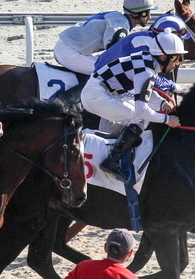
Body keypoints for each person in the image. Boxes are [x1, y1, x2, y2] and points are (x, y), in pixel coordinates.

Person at [80, 28, 187, 180]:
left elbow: (145, 91)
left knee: (141, 115)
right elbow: (142, 110)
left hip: (101, 92)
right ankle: (112, 159)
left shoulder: (147, 60)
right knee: (140, 117)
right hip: (97, 96)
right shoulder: (147, 70)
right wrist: (168, 120)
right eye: (176, 57)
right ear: (163, 56)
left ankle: (114, 151)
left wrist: (162, 102)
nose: (178, 63)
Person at [53, 0, 158, 76]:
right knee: (106, 72)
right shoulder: (120, 24)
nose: (150, 17)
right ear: (135, 14)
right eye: (146, 13)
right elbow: (114, 53)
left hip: (66, 46)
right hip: (68, 51)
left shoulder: (116, 16)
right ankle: (69, 97)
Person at [92, 14, 192, 94]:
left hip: (108, 77)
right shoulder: (149, 47)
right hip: (106, 84)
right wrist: (173, 86)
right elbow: (150, 78)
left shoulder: (150, 39)